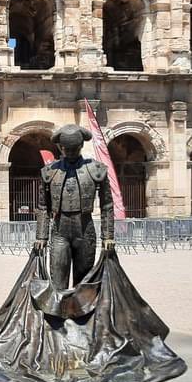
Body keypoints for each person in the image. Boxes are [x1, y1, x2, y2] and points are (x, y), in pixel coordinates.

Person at [34, 124, 115, 289]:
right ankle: (57, 314)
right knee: (57, 280)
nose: (70, 152)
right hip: (59, 229)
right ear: (60, 147)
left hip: (85, 228)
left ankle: (81, 314)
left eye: (74, 149)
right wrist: (41, 236)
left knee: (84, 281)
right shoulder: (49, 171)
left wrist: (108, 236)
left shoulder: (96, 169)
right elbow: (43, 206)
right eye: (66, 149)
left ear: (81, 146)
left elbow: (107, 204)